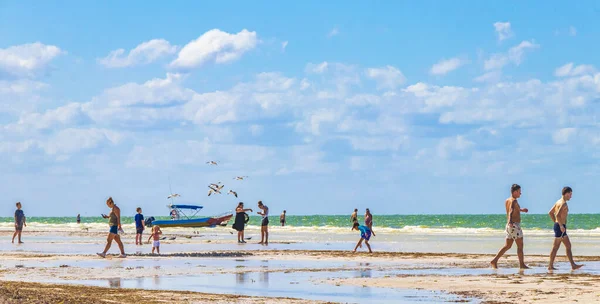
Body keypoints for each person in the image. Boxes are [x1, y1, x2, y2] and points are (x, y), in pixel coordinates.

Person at [490, 184, 529, 269]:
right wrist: (511, 221)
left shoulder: (507, 200)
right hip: (514, 225)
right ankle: (522, 265)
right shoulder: (514, 201)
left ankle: (494, 260)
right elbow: (511, 210)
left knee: (507, 246)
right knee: (520, 246)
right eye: (519, 191)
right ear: (515, 192)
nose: (520, 193)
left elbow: (512, 209)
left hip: (509, 226)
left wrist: (521, 210)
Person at [548, 187, 583, 270]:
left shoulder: (558, 201)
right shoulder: (563, 203)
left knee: (560, 246)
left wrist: (556, 223)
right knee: (563, 246)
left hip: (559, 226)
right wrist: (560, 225)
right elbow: (557, 215)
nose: (571, 196)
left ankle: (551, 265)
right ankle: (572, 265)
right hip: (561, 227)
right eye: (570, 194)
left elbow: (550, 213)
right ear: (566, 193)